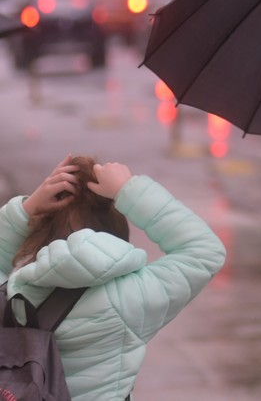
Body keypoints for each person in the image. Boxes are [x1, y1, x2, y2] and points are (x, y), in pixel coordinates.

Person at [0, 155, 227, 400]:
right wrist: (129, 190)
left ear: (40, 228)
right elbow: (204, 251)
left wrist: (26, 209)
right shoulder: (126, 300)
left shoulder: (14, 288)